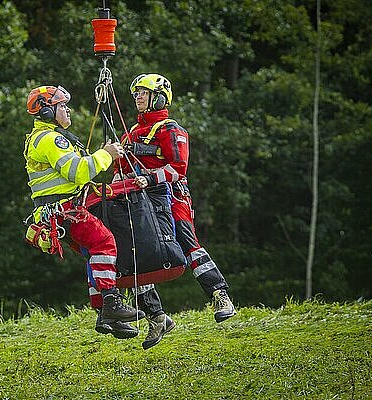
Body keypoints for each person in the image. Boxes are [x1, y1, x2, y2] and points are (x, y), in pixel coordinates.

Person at [114, 73, 236, 349]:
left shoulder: (171, 129)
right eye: (135, 94)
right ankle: (157, 316)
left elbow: (178, 168)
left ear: (158, 97)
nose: (137, 98)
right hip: (139, 202)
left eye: (142, 93)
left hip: (172, 198)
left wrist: (151, 178)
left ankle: (220, 295)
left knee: (188, 244)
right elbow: (119, 171)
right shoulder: (130, 132)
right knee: (139, 255)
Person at [24, 85, 144, 339]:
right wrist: (106, 154)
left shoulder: (45, 137)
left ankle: (104, 312)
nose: (67, 110)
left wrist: (100, 155)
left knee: (94, 252)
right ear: (47, 111)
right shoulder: (50, 139)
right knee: (104, 242)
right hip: (64, 210)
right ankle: (112, 303)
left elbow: (77, 172)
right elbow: (78, 171)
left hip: (56, 212)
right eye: (62, 106)